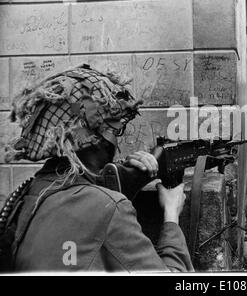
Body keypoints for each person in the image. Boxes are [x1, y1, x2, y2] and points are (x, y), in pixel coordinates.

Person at [2, 64, 193, 272]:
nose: (116, 143)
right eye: (115, 131)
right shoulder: (109, 207)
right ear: (96, 139)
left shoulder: (28, 195)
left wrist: (122, 178)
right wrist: (172, 214)